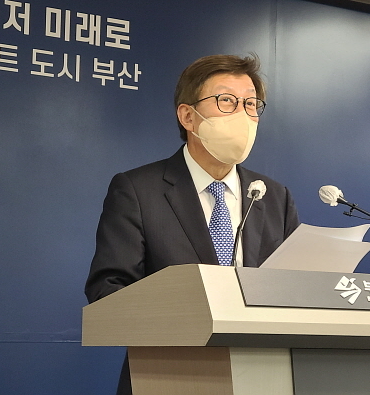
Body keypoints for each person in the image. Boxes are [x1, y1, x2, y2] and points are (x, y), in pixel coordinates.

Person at [84, 54, 300, 395]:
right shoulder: (138, 190)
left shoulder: (273, 196)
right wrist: (186, 313)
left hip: (264, 375)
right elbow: (108, 291)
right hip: (169, 375)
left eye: (250, 104)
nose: (242, 115)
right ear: (188, 116)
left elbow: (295, 289)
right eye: (226, 101)